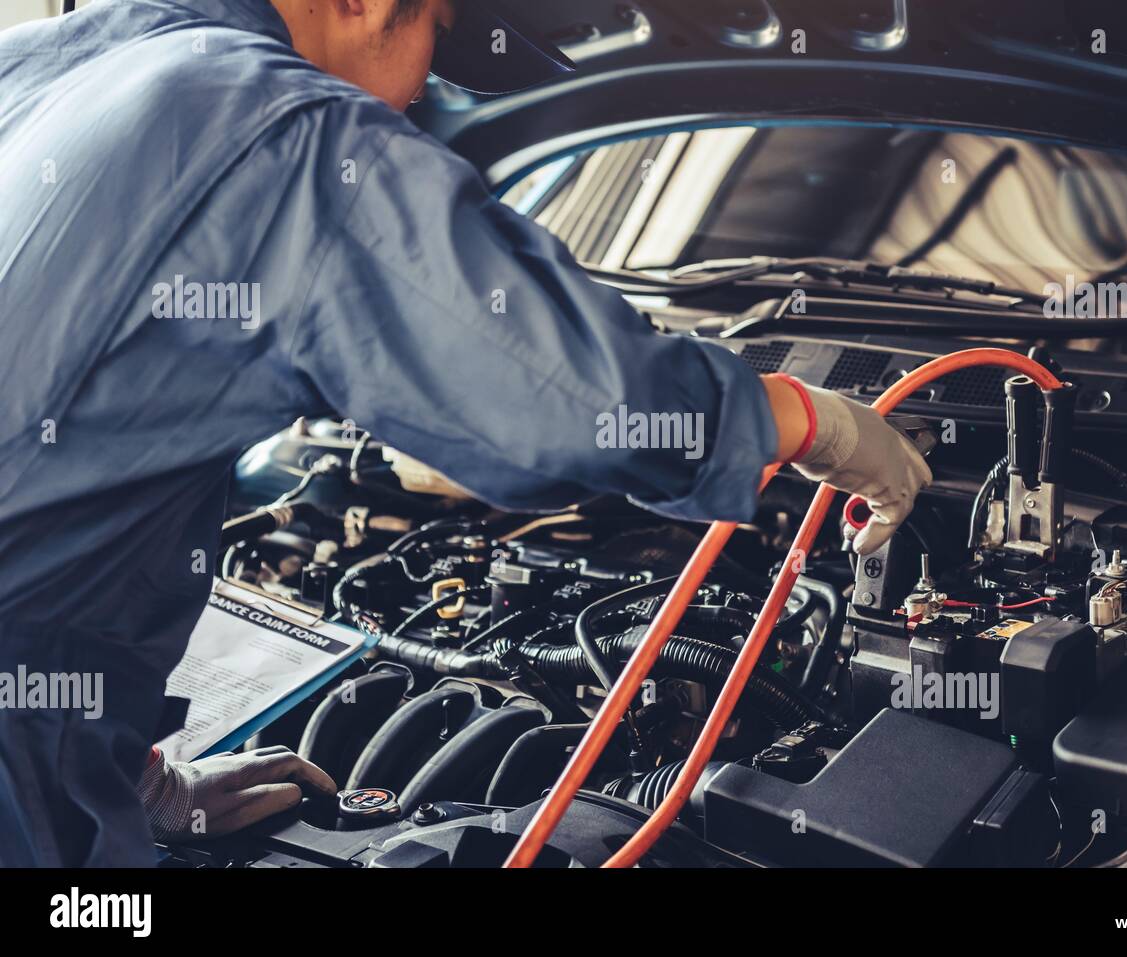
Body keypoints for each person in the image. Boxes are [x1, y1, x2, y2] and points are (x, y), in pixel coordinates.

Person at [0, 0, 930, 866]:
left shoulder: (48, 68)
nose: (418, 100)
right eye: (439, 42)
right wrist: (811, 419)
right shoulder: (276, 129)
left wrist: (137, 783)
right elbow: (584, 403)